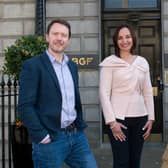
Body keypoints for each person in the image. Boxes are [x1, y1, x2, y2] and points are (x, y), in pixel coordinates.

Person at [18, 19, 97, 168]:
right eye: (55, 34)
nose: (59, 38)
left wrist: (79, 126)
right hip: (50, 140)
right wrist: (41, 136)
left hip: (76, 135)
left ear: (68, 40)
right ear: (47, 37)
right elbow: (25, 106)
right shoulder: (33, 66)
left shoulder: (72, 66)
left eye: (64, 35)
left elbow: (74, 99)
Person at [99, 24, 155, 168]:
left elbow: (148, 91)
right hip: (118, 120)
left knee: (135, 161)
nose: (125, 41)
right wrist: (112, 122)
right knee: (121, 162)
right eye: (120, 38)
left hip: (141, 118)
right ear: (116, 41)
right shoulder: (109, 63)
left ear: (133, 39)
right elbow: (104, 94)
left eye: (128, 37)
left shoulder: (142, 62)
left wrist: (151, 118)